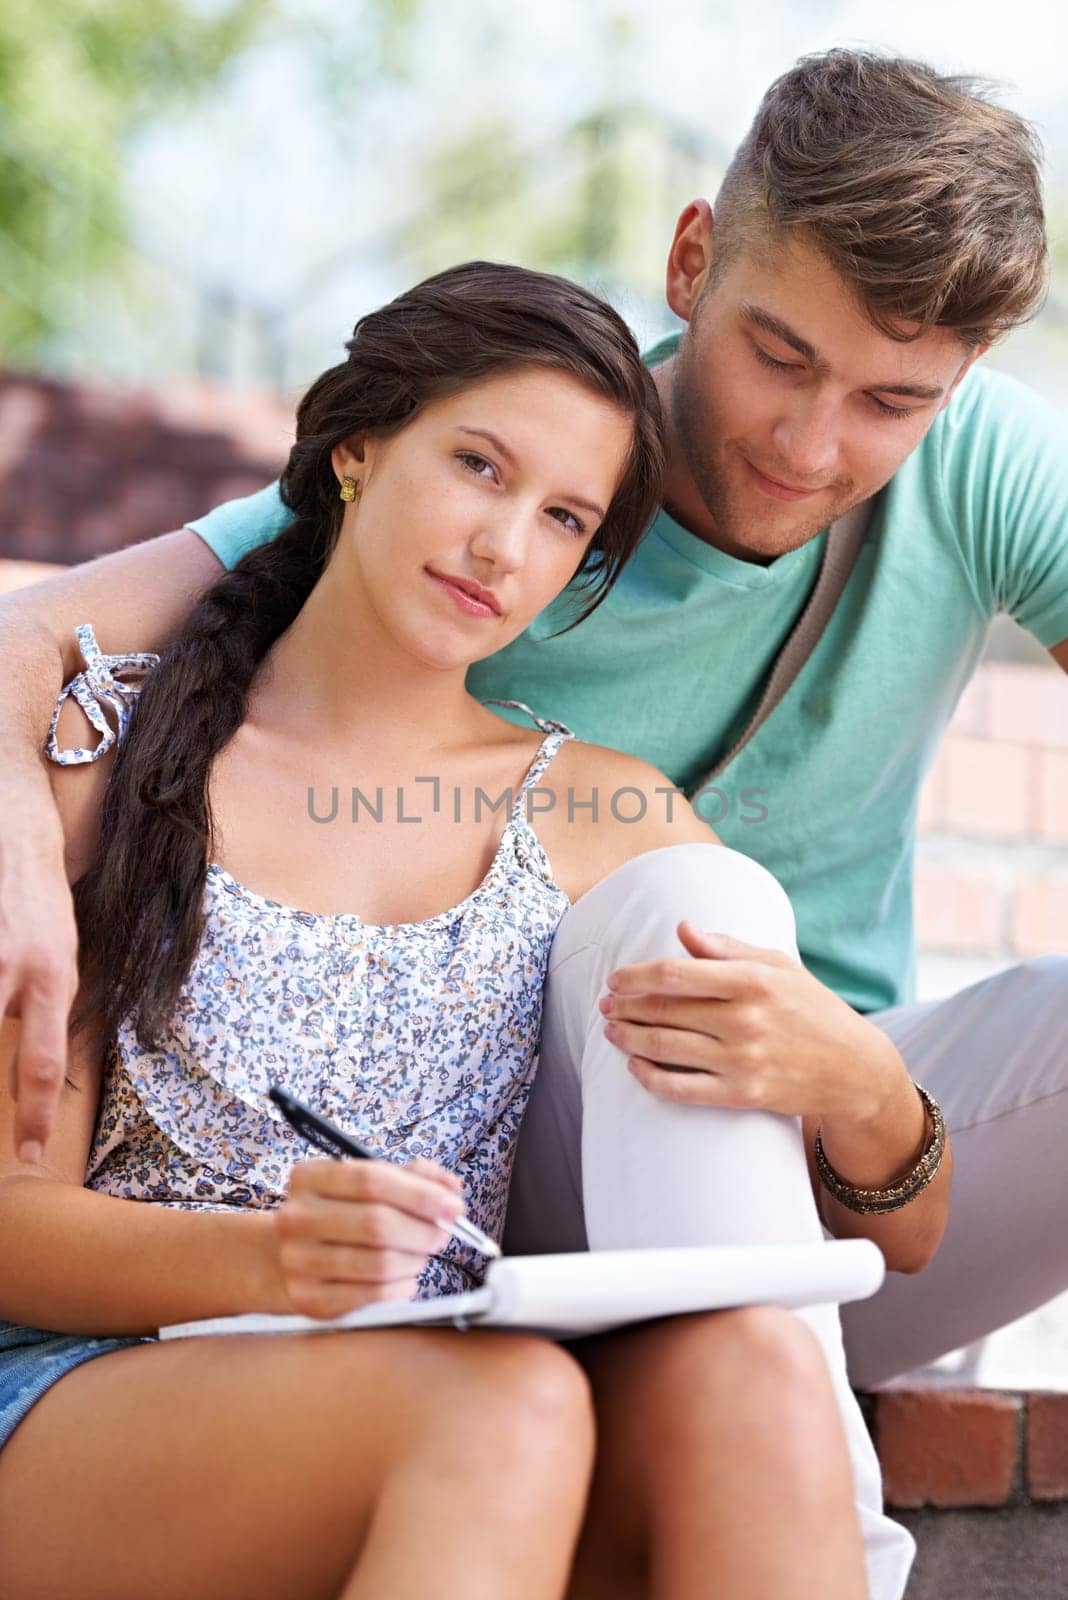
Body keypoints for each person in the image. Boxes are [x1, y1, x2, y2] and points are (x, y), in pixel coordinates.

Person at [0, 261, 920, 1599]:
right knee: (504, 1410)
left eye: (560, 518)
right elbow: (14, 1220)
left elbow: (915, 1224)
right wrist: (270, 1260)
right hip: (95, 1401)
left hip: (455, 1385)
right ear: (361, 448)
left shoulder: (603, 809)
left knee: (753, 1367)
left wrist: (869, 1084)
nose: (504, 547)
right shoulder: (109, 757)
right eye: (480, 467)